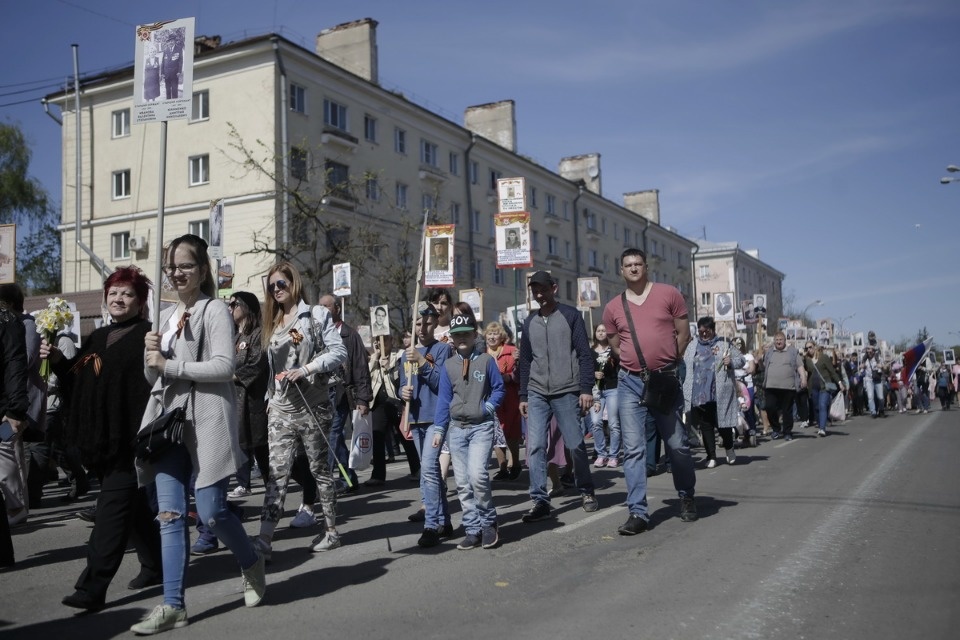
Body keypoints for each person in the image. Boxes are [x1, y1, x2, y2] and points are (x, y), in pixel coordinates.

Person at [133, 235, 265, 634]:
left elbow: (225, 367)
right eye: (171, 267)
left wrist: (169, 366)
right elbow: (155, 379)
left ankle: (251, 561)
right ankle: (173, 605)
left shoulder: (214, 310)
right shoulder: (165, 317)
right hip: (168, 422)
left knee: (211, 511)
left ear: (202, 270)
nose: (176, 273)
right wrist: (151, 358)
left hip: (207, 418)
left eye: (185, 266)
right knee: (170, 515)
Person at [41, 267, 163, 611]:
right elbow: (79, 381)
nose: (119, 299)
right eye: (113, 293)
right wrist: (58, 361)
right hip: (99, 439)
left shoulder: (147, 335)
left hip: (129, 439)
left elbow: (148, 387)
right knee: (133, 508)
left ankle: (91, 588)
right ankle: (156, 565)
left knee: (111, 511)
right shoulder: (98, 337)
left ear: (140, 301)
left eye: (127, 293)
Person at [251, 263, 347, 558]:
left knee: (319, 470)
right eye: (271, 287)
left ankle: (331, 531)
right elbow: (273, 368)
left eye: (281, 283)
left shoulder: (315, 315)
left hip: (313, 405)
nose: (276, 290)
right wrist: (270, 398)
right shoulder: (271, 322)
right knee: (277, 475)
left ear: (294, 283)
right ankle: (264, 540)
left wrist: (306, 369)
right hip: (281, 409)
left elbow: (338, 352)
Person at [602, 249, 698, 535]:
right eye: (628, 265)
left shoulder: (669, 294)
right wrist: (636, 363)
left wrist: (669, 362)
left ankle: (686, 495)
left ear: (646, 267)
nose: (633, 268)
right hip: (630, 383)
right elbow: (616, 346)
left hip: (665, 380)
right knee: (633, 449)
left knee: (677, 445)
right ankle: (638, 513)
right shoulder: (613, 307)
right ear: (621, 270)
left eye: (638, 264)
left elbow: (684, 334)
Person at [517, 271, 598, 523]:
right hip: (537, 392)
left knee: (575, 444)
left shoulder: (571, 315)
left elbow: (585, 354)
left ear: (554, 288)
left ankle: (586, 490)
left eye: (543, 289)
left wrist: (586, 389)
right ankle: (540, 500)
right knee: (535, 446)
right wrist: (523, 394)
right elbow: (525, 361)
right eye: (535, 291)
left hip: (567, 390)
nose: (539, 295)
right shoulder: (529, 322)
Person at [431, 314, 505, 550]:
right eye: (457, 334)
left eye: (466, 333)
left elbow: (499, 389)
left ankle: (488, 522)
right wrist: (439, 428)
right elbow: (444, 399)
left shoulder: (486, 361)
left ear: (474, 335)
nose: (462, 338)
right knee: (462, 482)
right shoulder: (448, 366)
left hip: (481, 427)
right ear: (451, 339)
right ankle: (472, 528)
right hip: (456, 430)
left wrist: (487, 408)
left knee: (478, 476)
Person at [398, 303, 454, 547]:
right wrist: (402, 392)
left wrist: (421, 361)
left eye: (428, 323)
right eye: (418, 324)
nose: (422, 328)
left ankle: (430, 525)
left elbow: (442, 383)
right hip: (415, 417)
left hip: (436, 417)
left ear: (435, 323)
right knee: (428, 471)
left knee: (430, 469)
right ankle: (445, 521)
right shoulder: (405, 354)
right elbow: (402, 384)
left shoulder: (443, 349)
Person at [683, 317, 744, 468]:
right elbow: (685, 364)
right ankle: (711, 456)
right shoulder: (692, 345)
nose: (704, 334)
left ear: (713, 330)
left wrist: (731, 362)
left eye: (707, 331)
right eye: (701, 331)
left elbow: (741, 360)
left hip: (719, 391)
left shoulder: (724, 343)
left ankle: (729, 448)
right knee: (706, 425)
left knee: (723, 424)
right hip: (699, 393)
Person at [227, 291, 269, 498]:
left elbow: (257, 364)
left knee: (259, 443)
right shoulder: (234, 336)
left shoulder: (259, 334)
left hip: (253, 398)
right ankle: (243, 483)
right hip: (234, 397)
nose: (230, 308)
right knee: (239, 441)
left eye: (234, 304)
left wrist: (231, 376)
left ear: (246, 306)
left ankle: (272, 483)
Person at [0, 292, 28, 567]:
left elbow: (15, 363)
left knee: (6, 466)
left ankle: (16, 504)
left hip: (3, 411)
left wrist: (15, 410)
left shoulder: (5, 320)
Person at [485, 322, 522, 481]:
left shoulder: (512, 351)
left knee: (511, 433)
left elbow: (520, 375)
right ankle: (502, 466)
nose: (492, 337)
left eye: (495, 334)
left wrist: (510, 376)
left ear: (502, 337)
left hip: (510, 397)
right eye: (489, 334)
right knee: (495, 432)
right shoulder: (482, 354)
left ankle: (516, 463)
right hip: (491, 398)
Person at [587, 323, 621, 468]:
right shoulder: (590, 352)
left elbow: (619, 369)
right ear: (595, 333)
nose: (601, 333)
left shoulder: (613, 351)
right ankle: (601, 454)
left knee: (613, 424)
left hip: (612, 389)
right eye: (598, 330)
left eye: (604, 330)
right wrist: (593, 374)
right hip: (596, 391)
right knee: (596, 422)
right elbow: (584, 370)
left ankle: (613, 455)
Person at [762, 332, 806, 441]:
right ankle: (776, 429)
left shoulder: (792, 351)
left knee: (787, 411)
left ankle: (787, 432)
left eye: (780, 340)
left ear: (785, 340)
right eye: (776, 340)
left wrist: (803, 378)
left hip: (788, 387)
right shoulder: (770, 352)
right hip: (771, 386)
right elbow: (764, 364)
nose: (778, 342)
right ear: (774, 341)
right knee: (769, 407)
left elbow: (800, 365)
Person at [802, 342, 844, 437]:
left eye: (810, 347)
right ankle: (820, 423)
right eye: (806, 348)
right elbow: (804, 369)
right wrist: (803, 357)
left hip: (824, 386)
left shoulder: (824, 357)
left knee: (822, 405)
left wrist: (839, 382)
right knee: (816, 407)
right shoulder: (807, 360)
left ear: (815, 347)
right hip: (813, 387)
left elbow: (832, 372)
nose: (808, 349)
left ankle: (822, 428)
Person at [861, 345, 886, 418]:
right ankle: (873, 412)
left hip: (878, 380)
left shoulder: (879, 358)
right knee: (870, 396)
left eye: (871, 350)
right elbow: (861, 370)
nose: (869, 352)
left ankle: (881, 410)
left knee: (880, 397)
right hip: (869, 380)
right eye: (868, 350)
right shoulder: (864, 359)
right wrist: (862, 367)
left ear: (874, 351)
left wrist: (882, 367)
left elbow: (886, 369)